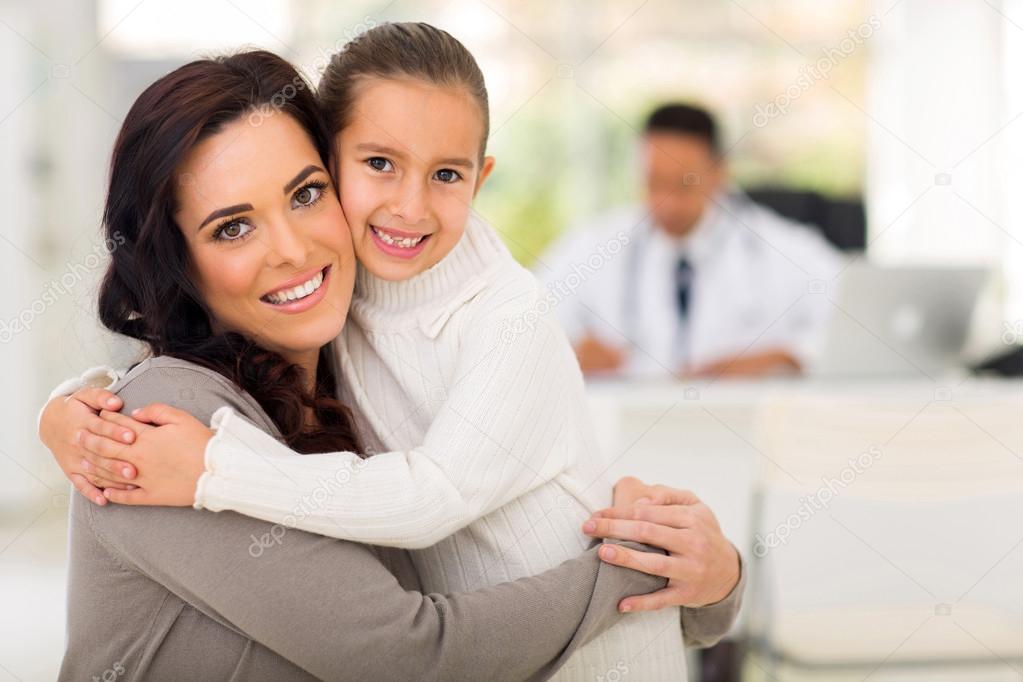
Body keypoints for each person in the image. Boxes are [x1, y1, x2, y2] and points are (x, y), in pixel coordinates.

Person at [39, 32, 743, 680]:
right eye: (232, 227)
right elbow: (406, 654)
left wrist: (714, 580)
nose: (291, 248)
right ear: (175, 260)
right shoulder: (162, 431)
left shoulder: (363, 352)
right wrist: (632, 571)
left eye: (305, 194)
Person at [538, 103, 843, 379]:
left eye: (683, 185)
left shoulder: (787, 250)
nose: (666, 204)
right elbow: (519, 323)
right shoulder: (591, 246)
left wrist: (791, 357)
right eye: (654, 184)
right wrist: (565, 352)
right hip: (624, 431)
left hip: (743, 428)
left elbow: (855, 331)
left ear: (720, 173)